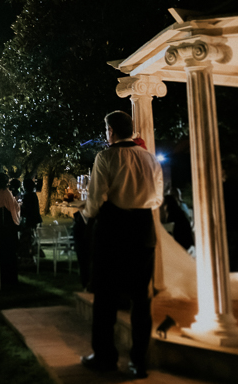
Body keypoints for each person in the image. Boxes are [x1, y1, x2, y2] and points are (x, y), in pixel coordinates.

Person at [80, 111, 162, 379]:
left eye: (106, 129)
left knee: (106, 297)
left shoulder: (106, 157)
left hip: (114, 229)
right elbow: (158, 198)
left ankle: (105, 357)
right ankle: (139, 361)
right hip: (143, 229)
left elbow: (96, 198)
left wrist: (85, 214)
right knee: (141, 298)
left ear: (111, 131)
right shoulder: (150, 158)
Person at [0, 173, 21, 286]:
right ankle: (8, 276)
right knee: (7, 248)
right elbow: (12, 206)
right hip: (5, 221)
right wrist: (18, 204)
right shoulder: (5, 192)